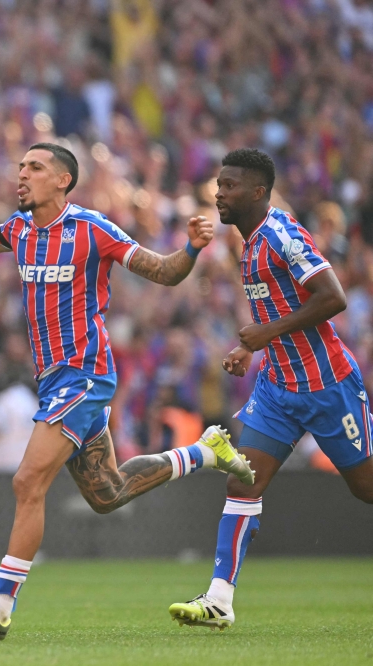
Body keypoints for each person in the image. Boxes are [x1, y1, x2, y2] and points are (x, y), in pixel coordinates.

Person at [0, 142, 255, 641]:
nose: (21, 174)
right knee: (108, 492)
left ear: (62, 180)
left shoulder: (92, 229)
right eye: (19, 166)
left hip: (85, 375)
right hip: (53, 381)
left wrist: (191, 248)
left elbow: (162, 272)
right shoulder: (20, 230)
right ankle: (205, 453)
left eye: (34, 168)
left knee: (27, 481)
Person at [168, 148, 373, 629]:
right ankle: (220, 599)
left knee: (367, 489)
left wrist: (267, 333)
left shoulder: (282, 233)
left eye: (231, 185)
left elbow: (333, 297)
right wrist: (253, 347)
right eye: (219, 184)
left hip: (328, 387)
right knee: (242, 479)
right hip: (278, 387)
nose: (220, 192)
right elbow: (280, 308)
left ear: (258, 192)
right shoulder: (249, 242)